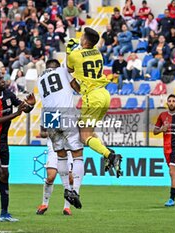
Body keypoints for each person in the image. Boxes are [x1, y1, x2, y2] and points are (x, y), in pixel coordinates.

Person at [0, 68, 36, 222]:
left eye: (3, 78)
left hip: (3, 141)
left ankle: (4, 213)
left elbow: (25, 108)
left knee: (5, 175)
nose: (3, 81)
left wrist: (31, 104)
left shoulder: (8, 94)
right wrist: (16, 114)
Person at [67, 27, 123, 177]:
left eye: (82, 37)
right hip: (104, 95)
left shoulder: (75, 55)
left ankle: (110, 155)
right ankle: (107, 153)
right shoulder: (98, 52)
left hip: (92, 97)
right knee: (89, 132)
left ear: (85, 41)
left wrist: (68, 52)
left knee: (84, 137)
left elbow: (69, 68)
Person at [37, 59, 84, 210]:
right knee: (78, 154)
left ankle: (66, 191)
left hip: (51, 118)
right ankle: (74, 191)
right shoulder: (63, 71)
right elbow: (78, 88)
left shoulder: (40, 80)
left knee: (61, 155)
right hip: (65, 114)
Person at [36, 129, 75, 216]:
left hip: (68, 152)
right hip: (53, 151)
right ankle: (44, 204)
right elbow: (42, 133)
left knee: (70, 179)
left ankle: (67, 207)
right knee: (51, 177)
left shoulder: (70, 117)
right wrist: (49, 133)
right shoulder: (50, 116)